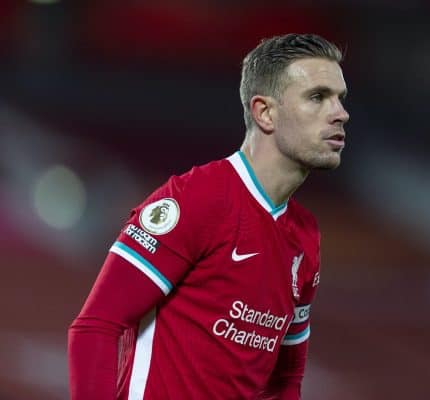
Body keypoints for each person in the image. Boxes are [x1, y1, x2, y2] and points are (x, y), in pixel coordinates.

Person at [68, 33, 350, 400]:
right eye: (318, 97)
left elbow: (286, 377)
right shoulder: (197, 199)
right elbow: (96, 326)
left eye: (340, 98)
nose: (340, 113)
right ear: (264, 112)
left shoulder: (305, 235)